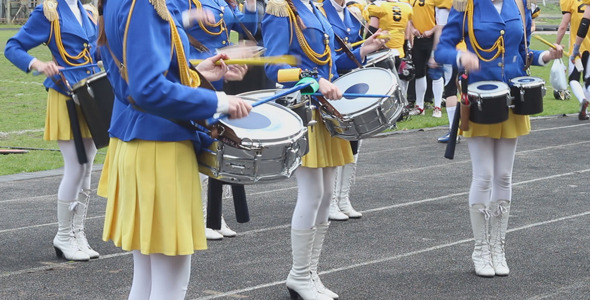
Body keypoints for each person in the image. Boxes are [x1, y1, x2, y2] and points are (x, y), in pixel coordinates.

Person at [97, 0, 251, 298]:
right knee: (169, 285)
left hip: (142, 143)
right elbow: (147, 89)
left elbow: (145, 71)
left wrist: (199, 73)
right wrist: (220, 102)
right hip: (161, 148)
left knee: (146, 280)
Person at [262, 0, 384, 298]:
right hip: (306, 112)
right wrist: (314, 81)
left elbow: (329, 64)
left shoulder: (314, 8)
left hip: (326, 111)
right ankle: (299, 275)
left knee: (327, 195)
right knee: (313, 193)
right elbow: (274, 69)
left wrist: (360, 53)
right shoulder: (280, 8)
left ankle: (309, 273)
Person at [435, 0, 562, 277]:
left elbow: (521, 52)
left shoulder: (520, 4)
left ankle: (497, 248)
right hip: (480, 100)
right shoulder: (465, 5)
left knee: (504, 176)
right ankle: (480, 249)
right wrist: (461, 58)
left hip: (513, 100)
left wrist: (545, 57)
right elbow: (442, 49)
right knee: (483, 176)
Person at [4, 0, 101, 261]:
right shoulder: (48, 12)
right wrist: (38, 64)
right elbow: (12, 47)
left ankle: (78, 233)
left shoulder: (88, 12)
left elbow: (94, 52)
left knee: (89, 166)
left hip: (90, 94)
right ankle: (63, 235)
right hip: (66, 95)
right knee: (76, 167)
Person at [169, 0, 259, 239]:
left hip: (217, 79)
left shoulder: (220, 1)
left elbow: (245, 26)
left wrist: (250, 6)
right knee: (201, 151)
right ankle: (198, 217)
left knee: (217, 150)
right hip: (194, 80)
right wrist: (190, 16)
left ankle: (214, 216)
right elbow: (165, 27)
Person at [319, 0, 366, 222]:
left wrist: (366, 49)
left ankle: (343, 198)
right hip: (330, 90)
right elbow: (331, 61)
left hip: (348, 86)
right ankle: (330, 202)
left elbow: (350, 54)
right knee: (338, 144)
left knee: (354, 144)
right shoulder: (321, 11)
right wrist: (362, 50)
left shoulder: (352, 14)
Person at [406, 0, 451, 118]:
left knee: (436, 71)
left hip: (434, 38)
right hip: (419, 38)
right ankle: (419, 106)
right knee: (419, 73)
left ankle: (437, 107)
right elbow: (408, 16)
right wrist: (412, 29)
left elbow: (442, 20)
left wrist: (432, 30)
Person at [557, 0, 590, 120]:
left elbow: (563, 26)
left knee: (574, 79)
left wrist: (556, 44)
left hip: (578, 47)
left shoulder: (569, 1)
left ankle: (583, 100)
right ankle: (584, 111)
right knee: (588, 81)